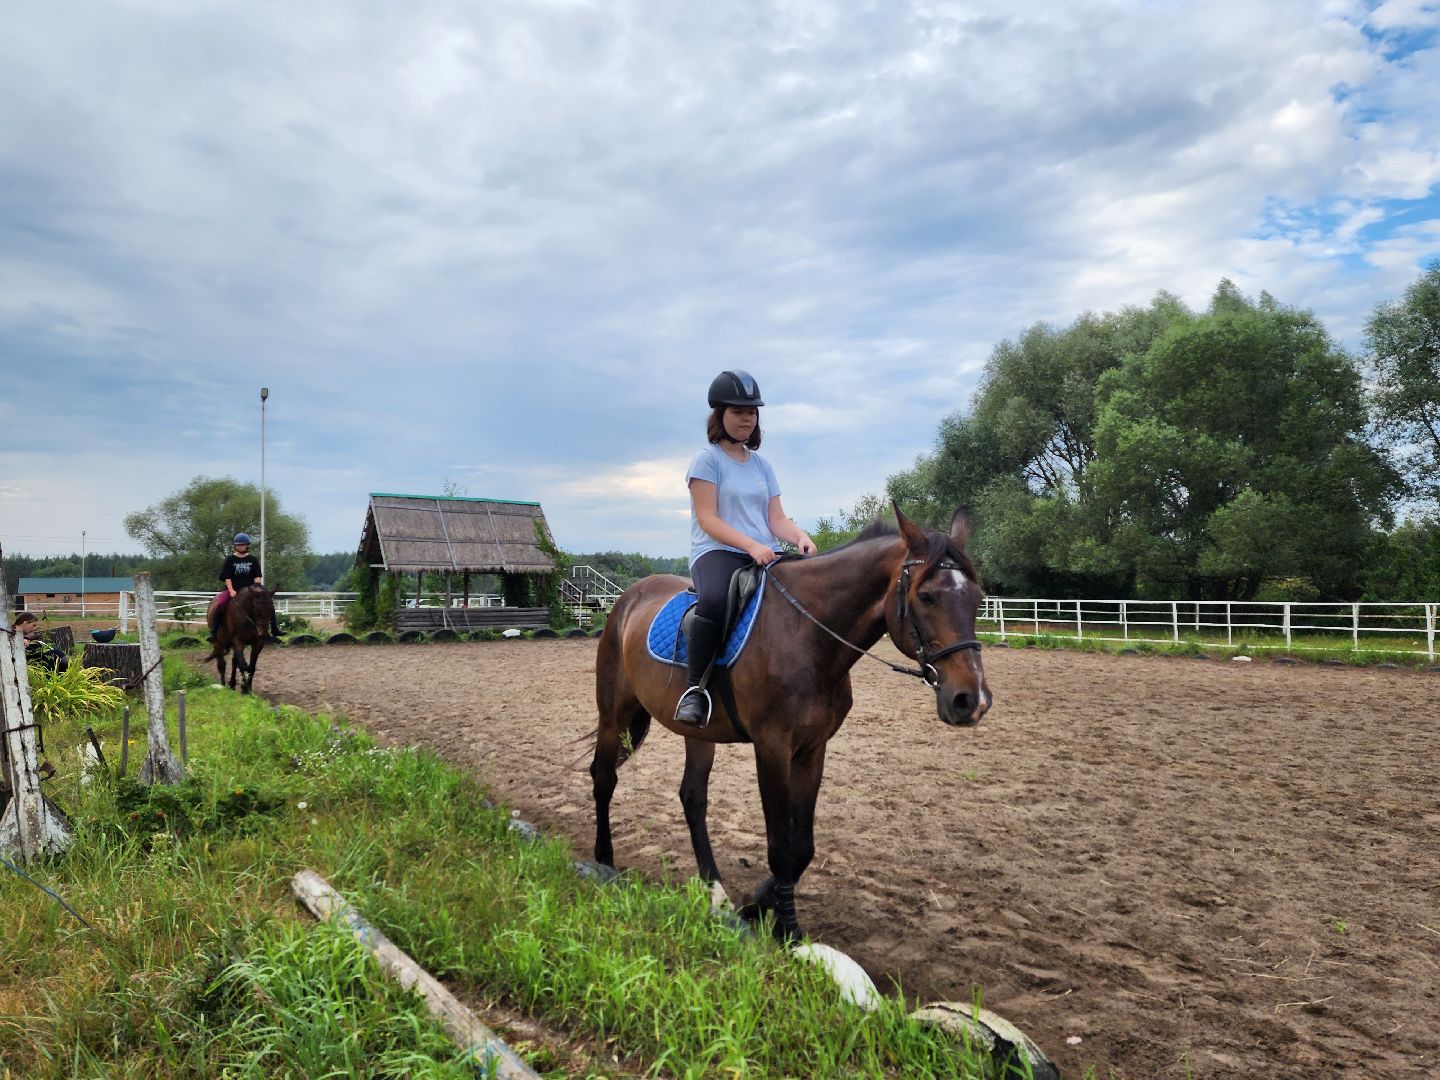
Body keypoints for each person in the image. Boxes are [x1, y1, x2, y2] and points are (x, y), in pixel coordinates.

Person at [676, 369, 816, 726]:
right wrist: (751, 545)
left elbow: (776, 519)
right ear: (720, 414)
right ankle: (695, 689)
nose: (747, 418)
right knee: (715, 600)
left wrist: (799, 537)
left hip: (764, 552)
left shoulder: (762, 466)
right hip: (716, 551)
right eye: (738, 411)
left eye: (752, 412)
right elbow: (708, 519)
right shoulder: (706, 460)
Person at [210, 533, 281, 642]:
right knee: (221, 604)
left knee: (267, 604)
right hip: (234, 589)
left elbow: (257, 577)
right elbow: (227, 577)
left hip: (251, 591)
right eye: (239, 545)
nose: (241, 547)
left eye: (243, 545)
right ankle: (214, 632)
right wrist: (231, 590)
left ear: (247, 545)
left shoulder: (253, 560)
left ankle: (274, 629)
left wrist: (258, 588)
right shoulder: (230, 560)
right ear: (235, 546)